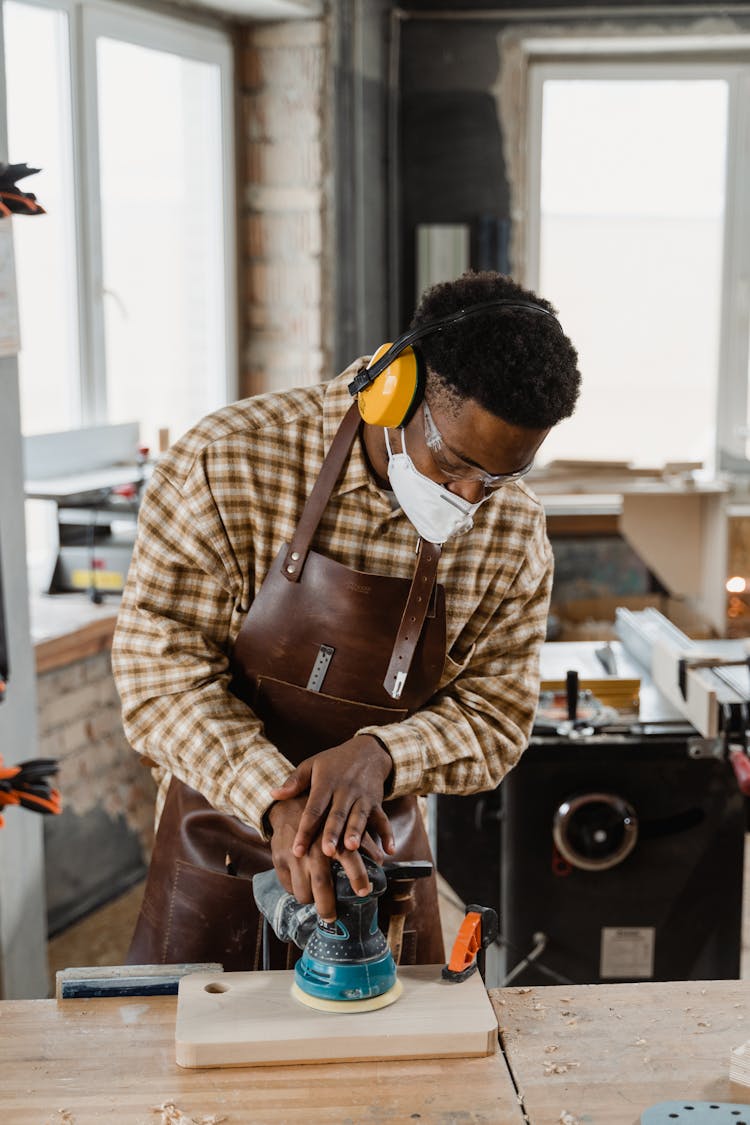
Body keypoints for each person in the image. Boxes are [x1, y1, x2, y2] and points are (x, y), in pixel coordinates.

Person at [111, 270, 581, 970]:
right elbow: (160, 676)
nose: (470, 499)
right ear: (397, 386)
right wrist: (276, 802)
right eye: (453, 464)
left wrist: (382, 755)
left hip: (378, 858)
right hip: (216, 844)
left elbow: (497, 715)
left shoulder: (512, 535)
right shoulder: (228, 461)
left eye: (501, 477)